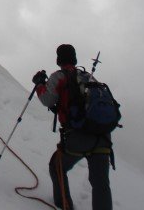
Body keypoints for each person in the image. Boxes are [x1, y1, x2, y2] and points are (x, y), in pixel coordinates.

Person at [32, 44, 113, 210]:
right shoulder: (88, 77)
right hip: (103, 136)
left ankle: (65, 205)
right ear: (74, 59)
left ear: (59, 59)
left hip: (78, 136)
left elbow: (47, 100)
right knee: (100, 183)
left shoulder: (59, 76)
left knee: (57, 167)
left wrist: (40, 83)